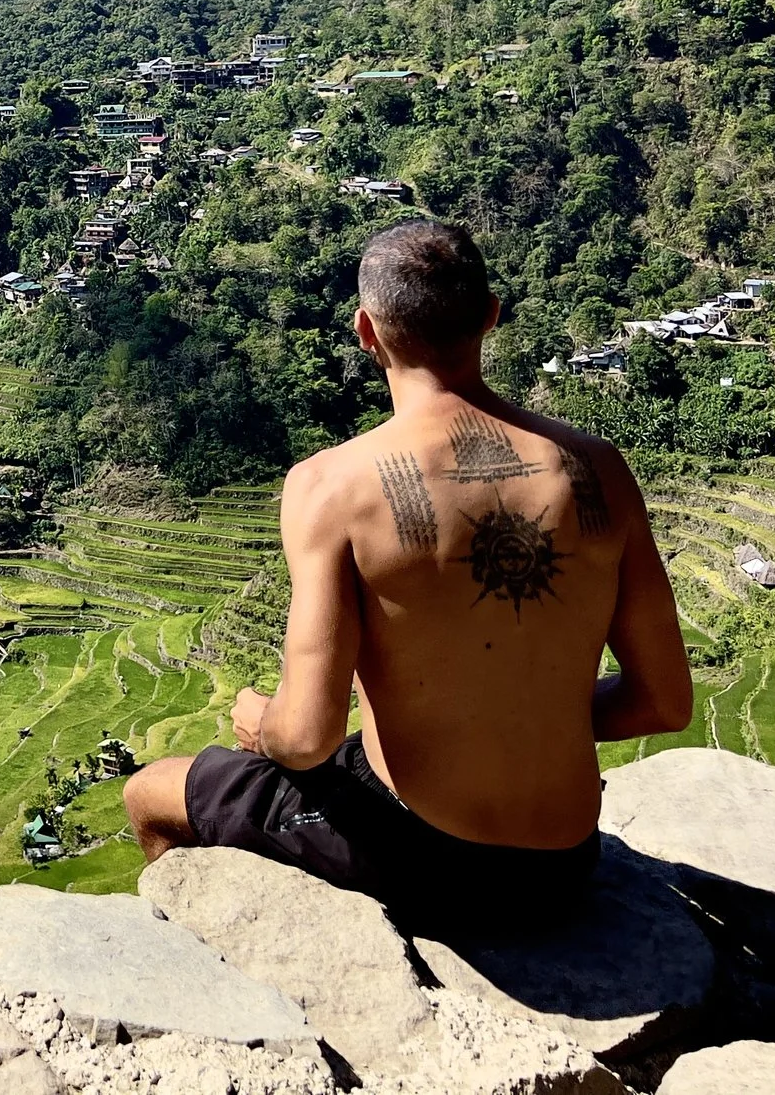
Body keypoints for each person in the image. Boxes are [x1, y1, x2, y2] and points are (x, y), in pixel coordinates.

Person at [121, 219, 691, 930]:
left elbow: (306, 739)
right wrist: (523, 716)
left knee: (151, 791)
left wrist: (260, 721)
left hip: (431, 859)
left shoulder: (332, 486)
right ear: (490, 315)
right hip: (564, 863)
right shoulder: (598, 468)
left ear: (367, 330)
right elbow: (663, 702)